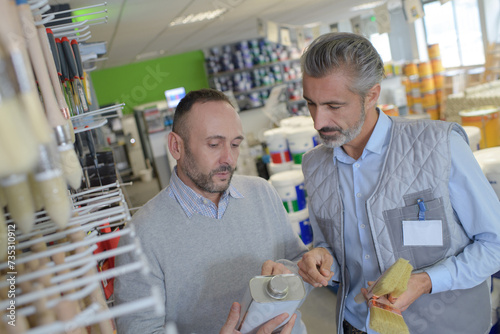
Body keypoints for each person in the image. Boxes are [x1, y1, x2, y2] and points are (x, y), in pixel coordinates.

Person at [296, 32, 500, 334]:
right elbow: (333, 249)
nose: (317, 121)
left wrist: (426, 281)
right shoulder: (315, 165)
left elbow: (494, 244)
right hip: (357, 325)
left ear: (372, 94)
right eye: (310, 104)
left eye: (334, 106)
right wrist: (322, 258)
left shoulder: (438, 146)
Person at [114, 88, 309, 334]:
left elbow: (300, 265)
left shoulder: (262, 192)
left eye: (235, 144)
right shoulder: (141, 236)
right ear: (176, 146)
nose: (228, 158)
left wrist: (291, 276)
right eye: (214, 144)